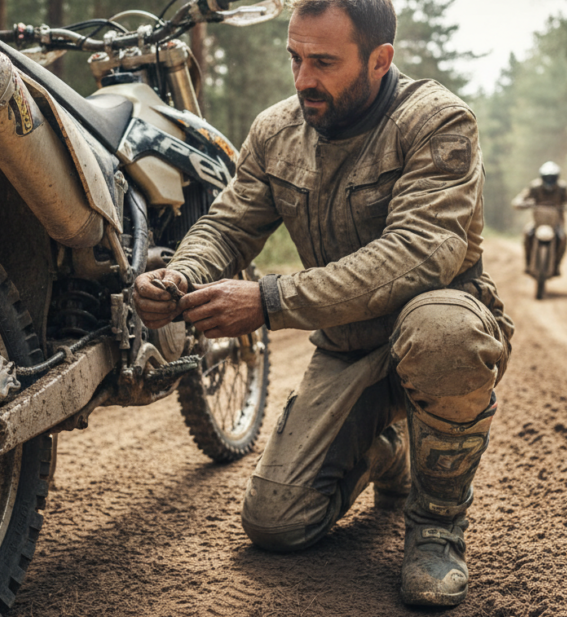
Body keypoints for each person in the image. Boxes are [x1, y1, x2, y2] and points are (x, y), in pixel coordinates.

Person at [132, 0, 514, 607]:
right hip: (348, 347)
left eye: (324, 62)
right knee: (276, 524)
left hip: (436, 327)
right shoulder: (276, 131)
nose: (304, 78)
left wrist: (269, 300)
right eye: (295, 58)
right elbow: (229, 225)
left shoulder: (437, 121)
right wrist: (182, 275)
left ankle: (437, 525)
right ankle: (385, 449)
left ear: (380, 60)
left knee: (444, 333)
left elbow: (420, 253)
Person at [512, 161, 567, 276]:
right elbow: (521, 198)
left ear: (557, 177)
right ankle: (528, 263)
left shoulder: (563, 188)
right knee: (527, 234)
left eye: (552, 178)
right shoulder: (535, 186)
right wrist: (520, 203)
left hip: (556, 223)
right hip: (538, 222)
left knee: (563, 238)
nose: (549, 180)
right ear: (542, 177)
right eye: (547, 178)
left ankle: (557, 265)